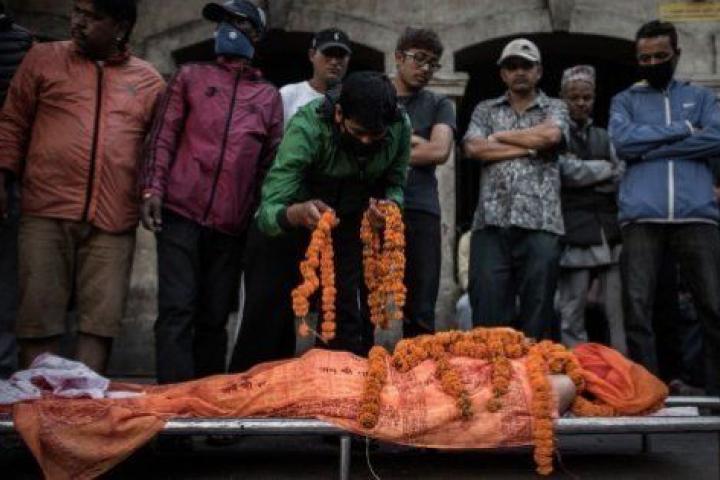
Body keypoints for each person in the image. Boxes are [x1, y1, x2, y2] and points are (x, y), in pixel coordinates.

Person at [0, 0, 165, 374]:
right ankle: (35, 404)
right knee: (38, 317)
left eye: (92, 17)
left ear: (119, 27)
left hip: (113, 220)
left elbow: (160, 146)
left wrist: (151, 191)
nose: (78, 22)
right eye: (77, 11)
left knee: (100, 323)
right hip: (46, 211)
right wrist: (3, 175)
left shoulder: (149, 81)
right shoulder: (42, 59)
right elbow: (12, 123)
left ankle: (84, 404)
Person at [230, 71, 410, 372]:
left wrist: (390, 206)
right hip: (290, 224)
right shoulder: (308, 125)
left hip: (348, 225)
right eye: (358, 132)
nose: (366, 141)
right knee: (267, 322)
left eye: (375, 136)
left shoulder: (399, 125)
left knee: (346, 322)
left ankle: (339, 385)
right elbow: (271, 206)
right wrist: (295, 213)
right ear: (339, 114)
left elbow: (396, 182)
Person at [141, 0, 282, 384]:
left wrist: (257, 217)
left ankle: (206, 403)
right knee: (176, 310)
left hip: (231, 225)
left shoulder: (267, 97)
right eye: (222, 22)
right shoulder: (189, 76)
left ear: (256, 35)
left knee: (214, 317)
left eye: (237, 22)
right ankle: (173, 404)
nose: (227, 29)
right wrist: (152, 188)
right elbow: (163, 136)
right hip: (180, 214)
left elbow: (269, 166)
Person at [609, 20, 720, 394]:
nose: (653, 62)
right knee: (638, 308)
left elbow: (717, 137)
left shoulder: (702, 97)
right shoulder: (625, 100)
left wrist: (652, 150)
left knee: (713, 305)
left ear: (677, 54)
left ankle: (715, 393)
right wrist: (685, 129)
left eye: (661, 56)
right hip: (642, 216)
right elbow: (623, 143)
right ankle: (648, 393)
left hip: (697, 214)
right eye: (646, 58)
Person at [462, 38, 568, 339]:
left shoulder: (555, 107)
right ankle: (494, 369)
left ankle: (536, 370)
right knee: (488, 315)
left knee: (539, 314)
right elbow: (473, 148)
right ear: (503, 74)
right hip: (491, 224)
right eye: (512, 66)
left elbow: (550, 137)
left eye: (526, 65)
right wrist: (529, 148)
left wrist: (499, 137)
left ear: (539, 71)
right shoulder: (485, 109)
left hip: (541, 223)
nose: (519, 71)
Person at [555, 65, 626, 354]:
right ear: (563, 99)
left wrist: (585, 174)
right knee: (572, 311)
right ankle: (576, 368)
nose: (581, 103)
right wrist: (603, 170)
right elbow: (564, 172)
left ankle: (621, 367)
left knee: (617, 313)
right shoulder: (556, 134)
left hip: (609, 233)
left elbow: (621, 174)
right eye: (574, 97)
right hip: (574, 233)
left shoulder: (604, 135)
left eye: (587, 97)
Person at [392, 27, 455, 337]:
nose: (426, 68)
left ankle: (419, 366)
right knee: (363, 295)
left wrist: (388, 147)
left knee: (420, 306)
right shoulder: (377, 95)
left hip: (421, 208)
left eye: (433, 62)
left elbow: (439, 151)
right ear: (398, 57)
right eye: (419, 58)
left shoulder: (439, 103)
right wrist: (414, 141)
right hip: (374, 206)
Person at [0, 1, 32, 379]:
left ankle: (4, 375)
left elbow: (18, 119)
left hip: (10, 179)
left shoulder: (23, 45)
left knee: (7, 284)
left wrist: (6, 172)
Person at [280, 28, 351, 128]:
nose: (334, 62)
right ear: (312, 55)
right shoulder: (288, 94)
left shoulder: (353, 100)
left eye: (341, 55)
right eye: (328, 53)